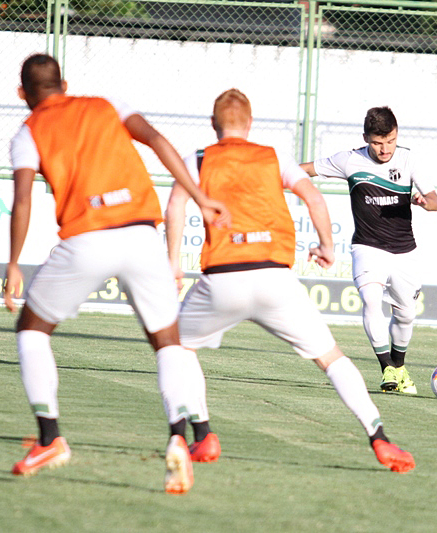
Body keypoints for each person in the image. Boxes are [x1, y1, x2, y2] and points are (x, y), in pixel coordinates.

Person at [2, 54, 230, 494]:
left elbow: (24, 201)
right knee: (167, 341)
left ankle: (50, 438)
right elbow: (158, 140)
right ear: (64, 84)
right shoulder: (107, 103)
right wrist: (200, 197)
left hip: (86, 240)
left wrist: (14, 262)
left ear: (21, 94)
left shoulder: (28, 133)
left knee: (32, 330)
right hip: (143, 236)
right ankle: (178, 439)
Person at [164, 89, 415, 473]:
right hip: (276, 279)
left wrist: (172, 263)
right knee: (332, 358)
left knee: (176, 349)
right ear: (250, 125)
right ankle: (379, 437)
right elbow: (314, 198)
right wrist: (327, 246)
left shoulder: (197, 159)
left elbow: (175, 205)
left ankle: (195, 436)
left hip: (222, 279)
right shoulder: (273, 156)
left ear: (214, 125)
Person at [300, 106, 437, 394]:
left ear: (396, 135)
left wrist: (425, 202)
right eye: (377, 143)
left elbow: (436, 200)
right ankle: (387, 367)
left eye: (389, 141)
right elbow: (306, 170)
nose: (384, 148)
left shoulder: (408, 159)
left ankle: (398, 368)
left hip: (404, 251)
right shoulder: (349, 160)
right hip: (367, 246)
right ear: (366, 138)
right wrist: (267, 177)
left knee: (406, 315)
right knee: (371, 299)